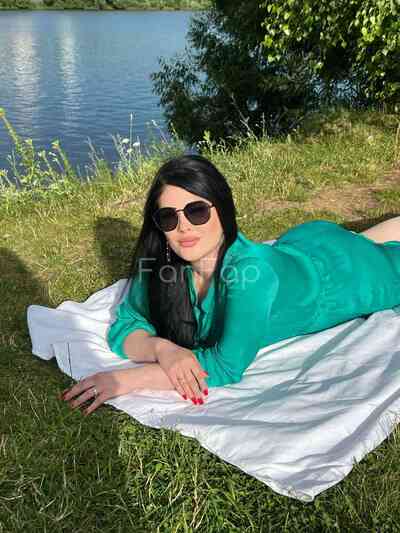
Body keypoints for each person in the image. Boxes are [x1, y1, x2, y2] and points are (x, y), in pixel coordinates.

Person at [61, 154, 400, 416]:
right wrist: (163, 350)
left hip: (345, 281)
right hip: (304, 245)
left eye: (197, 211)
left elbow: (225, 365)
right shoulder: (163, 264)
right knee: (362, 241)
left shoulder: (252, 274)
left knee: (378, 253)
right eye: (168, 217)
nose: (183, 227)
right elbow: (128, 325)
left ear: (222, 210)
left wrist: (123, 381)